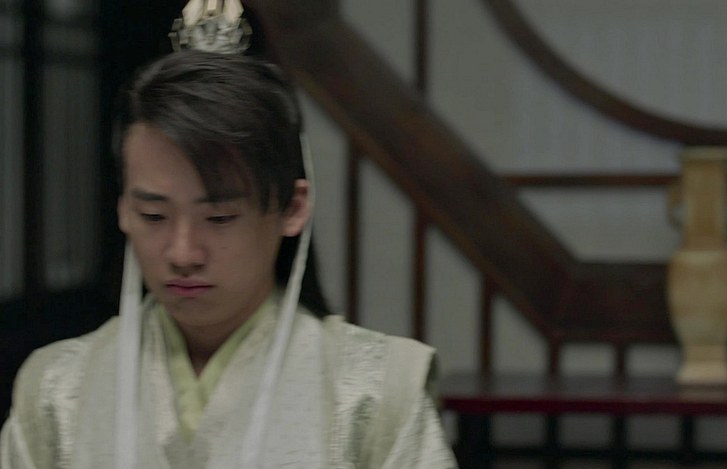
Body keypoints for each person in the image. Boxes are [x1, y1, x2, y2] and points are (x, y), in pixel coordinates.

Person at [0, 49, 457, 468]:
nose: (182, 253)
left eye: (219, 218)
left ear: (293, 208)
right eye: (154, 215)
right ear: (123, 209)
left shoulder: (375, 392)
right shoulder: (58, 388)